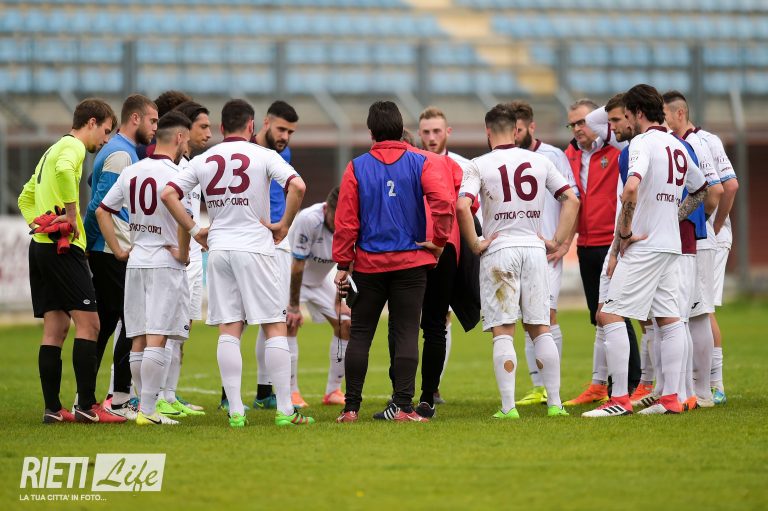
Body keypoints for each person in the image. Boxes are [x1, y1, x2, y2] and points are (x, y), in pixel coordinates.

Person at [161, 99, 312, 428]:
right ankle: (285, 410)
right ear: (251, 126)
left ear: (221, 127)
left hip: (219, 249)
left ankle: (236, 411)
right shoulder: (264, 155)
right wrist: (284, 225)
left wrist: (195, 230)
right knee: (274, 325)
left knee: (229, 328)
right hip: (255, 247)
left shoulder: (204, 158)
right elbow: (298, 186)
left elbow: (168, 193)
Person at [583, 84, 708, 418]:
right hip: (671, 245)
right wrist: (672, 216)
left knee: (609, 314)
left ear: (637, 113)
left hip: (645, 244)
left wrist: (624, 232)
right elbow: (701, 190)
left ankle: (619, 399)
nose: (625, 121)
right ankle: (671, 398)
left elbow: (631, 188)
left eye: (626, 115)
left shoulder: (642, 143)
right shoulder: (678, 145)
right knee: (669, 319)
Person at [456, 103, 579, 419]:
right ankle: (555, 404)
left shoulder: (479, 164)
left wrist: (475, 243)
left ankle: (508, 407)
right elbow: (571, 199)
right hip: (535, 249)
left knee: (503, 329)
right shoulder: (539, 161)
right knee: (540, 327)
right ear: (515, 130)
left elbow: (462, 206)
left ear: (488, 132)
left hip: (500, 250)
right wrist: (557, 240)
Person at [334, 101, 454, 423]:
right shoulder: (421, 161)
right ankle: (403, 406)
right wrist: (439, 241)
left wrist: (343, 264)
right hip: (411, 265)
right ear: (402, 129)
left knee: (360, 335)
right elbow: (444, 202)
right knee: (406, 333)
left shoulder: (356, 167)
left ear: (371, 132)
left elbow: (346, 222)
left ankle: (350, 408)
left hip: (368, 266)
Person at [18, 98, 125, 424]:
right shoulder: (73, 147)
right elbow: (66, 171)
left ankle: (53, 409)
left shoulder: (51, 150)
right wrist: (70, 213)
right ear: (91, 123)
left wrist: (38, 223)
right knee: (90, 325)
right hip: (64, 249)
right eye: (105, 131)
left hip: (42, 246)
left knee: (56, 328)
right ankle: (87, 406)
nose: (105, 139)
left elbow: (25, 196)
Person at [96, 111, 192, 426]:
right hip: (164, 261)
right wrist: (184, 253)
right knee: (157, 336)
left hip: (137, 259)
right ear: (179, 137)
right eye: (186, 140)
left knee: (137, 337)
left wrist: (119, 249)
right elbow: (184, 219)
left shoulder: (132, 171)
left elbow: (102, 211)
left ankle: (143, 409)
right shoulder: (178, 174)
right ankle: (149, 411)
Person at [83, 94, 158, 419]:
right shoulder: (120, 154)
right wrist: (90, 244)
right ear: (135, 118)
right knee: (132, 322)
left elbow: (95, 187)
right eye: (153, 121)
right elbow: (98, 206)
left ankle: (86, 398)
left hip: (110, 250)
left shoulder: (120, 151)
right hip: (112, 251)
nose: (155, 128)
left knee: (106, 324)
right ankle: (120, 398)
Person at [565, 98, 641, 405]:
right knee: (598, 317)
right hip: (585, 244)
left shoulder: (618, 147)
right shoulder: (569, 155)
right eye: (572, 124)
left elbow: (602, 118)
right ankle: (601, 384)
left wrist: (600, 116)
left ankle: (632, 383)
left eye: (582, 122)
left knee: (617, 313)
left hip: (611, 242)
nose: (577, 129)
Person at [507, 100, 579, 407]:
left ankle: (552, 387)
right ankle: (539, 386)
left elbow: (572, 199)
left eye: (518, 129)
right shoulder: (506, 158)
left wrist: (563, 242)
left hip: (546, 250)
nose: (514, 135)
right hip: (516, 250)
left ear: (531, 127)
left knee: (546, 315)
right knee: (527, 317)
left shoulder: (553, 156)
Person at [152, 100, 213, 416]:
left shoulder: (192, 166)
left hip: (190, 255)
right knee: (162, 326)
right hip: (172, 255)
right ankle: (149, 395)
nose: (208, 133)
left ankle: (169, 394)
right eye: (203, 126)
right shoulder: (173, 170)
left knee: (181, 327)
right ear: (184, 131)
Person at [663, 91, 724, 408]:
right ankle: (689, 389)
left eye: (664, 114)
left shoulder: (695, 143)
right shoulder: (678, 143)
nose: (661, 120)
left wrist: (704, 222)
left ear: (679, 113)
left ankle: (703, 391)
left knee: (696, 314)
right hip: (690, 238)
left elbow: (716, 190)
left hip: (696, 239)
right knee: (688, 315)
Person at [417, 105, 480, 405]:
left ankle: (433, 386)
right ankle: (410, 388)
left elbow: (473, 209)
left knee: (443, 316)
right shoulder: (413, 163)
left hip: (451, 250)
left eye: (436, 131)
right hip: (418, 248)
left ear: (448, 132)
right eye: (426, 132)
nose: (431, 137)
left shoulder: (464, 167)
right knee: (413, 317)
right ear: (419, 133)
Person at [285, 186, 350, 406]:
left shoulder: (351, 221)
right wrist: (294, 306)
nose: (339, 223)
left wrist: (339, 301)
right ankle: (291, 392)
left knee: (346, 323)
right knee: (289, 324)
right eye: (336, 217)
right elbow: (297, 266)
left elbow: (348, 264)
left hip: (320, 281)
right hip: (291, 277)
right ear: (327, 208)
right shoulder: (309, 220)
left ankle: (333, 391)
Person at [692, 125, 738, 405]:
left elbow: (728, 186)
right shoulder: (672, 140)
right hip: (695, 237)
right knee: (694, 308)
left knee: (703, 308)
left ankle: (715, 385)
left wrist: (715, 225)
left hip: (709, 238)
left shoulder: (706, 140)